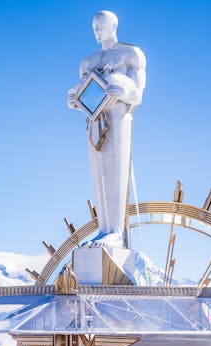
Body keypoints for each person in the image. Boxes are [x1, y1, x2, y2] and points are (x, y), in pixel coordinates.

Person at [66, 10, 147, 249]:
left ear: (113, 25)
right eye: (94, 27)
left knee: (115, 170)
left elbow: (137, 95)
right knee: (98, 173)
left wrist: (124, 92)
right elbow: (86, 93)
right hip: (94, 122)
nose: (97, 31)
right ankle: (104, 229)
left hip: (119, 118)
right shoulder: (87, 62)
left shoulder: (131, 54)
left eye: (100, 26)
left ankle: (115, 232)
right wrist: (75, 100)